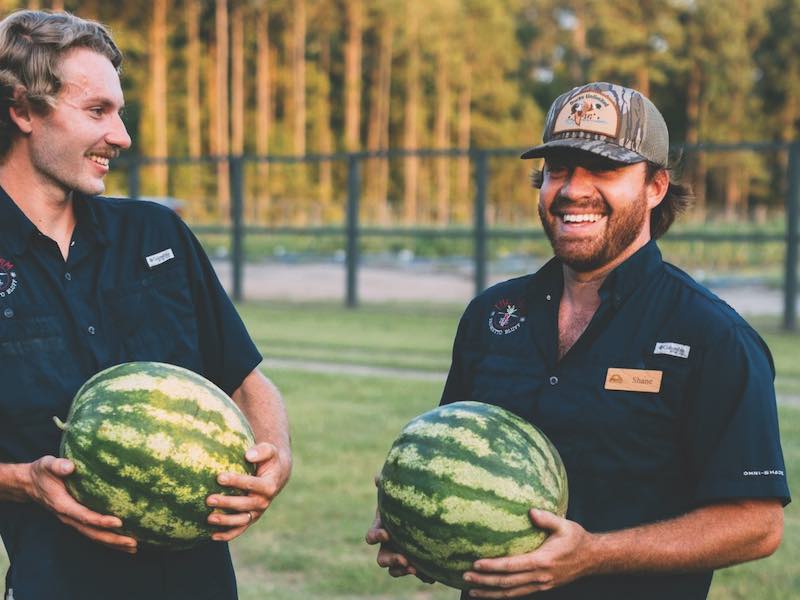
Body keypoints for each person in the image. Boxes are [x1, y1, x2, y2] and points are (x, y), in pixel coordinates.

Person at [366, 81, 790, 599]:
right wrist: (415, 528)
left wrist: (594, 555)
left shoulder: (711, 335)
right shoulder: (493, 315)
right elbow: (447, 466)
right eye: (559, 169)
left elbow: (756, 524)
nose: (572, 189)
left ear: (656, 187)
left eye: (604, 169)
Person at [0, 10, 291, 600]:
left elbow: (245, 380)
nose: (122, 136)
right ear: (24, 110)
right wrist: (23, 482)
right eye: (97, 111)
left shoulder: (158, 235)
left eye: (121, 112)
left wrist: (276, 457)